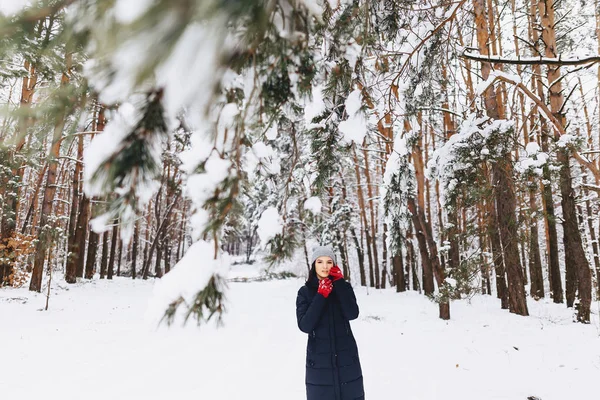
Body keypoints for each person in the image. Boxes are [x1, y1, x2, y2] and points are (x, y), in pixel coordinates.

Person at [296, 246, 365, 400]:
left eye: (329, 262)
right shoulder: (305, 292)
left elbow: (352, 313)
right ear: (314, 265)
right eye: (320, 262)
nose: (325, 266)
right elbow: (305, 325)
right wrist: (321, 295)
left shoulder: (343, 287)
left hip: (346, 359)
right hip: (319, 363)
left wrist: (339, 284)